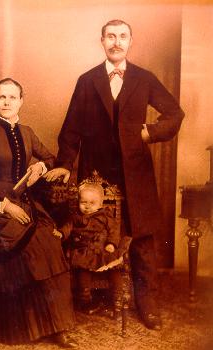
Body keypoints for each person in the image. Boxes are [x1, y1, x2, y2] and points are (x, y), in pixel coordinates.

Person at [45, 19, 185, 330]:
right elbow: (70, 131)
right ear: (102, 41)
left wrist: (151, 132)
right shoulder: (87, 81)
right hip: (97, 175)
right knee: (94, 234)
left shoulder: (144, 78)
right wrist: (66, 166)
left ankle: (147, 304)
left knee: (142, 239)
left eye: (122, 36)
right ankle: (93, 296)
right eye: (111, 36)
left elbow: (174, 114)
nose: (116, 42)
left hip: (135, 173)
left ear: (130, 41)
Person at [0, 78, 77, 348]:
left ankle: (57, 325)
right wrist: (6, 206)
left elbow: (50, 158)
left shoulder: (27, 132)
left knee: (50, 243)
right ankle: (21, 327)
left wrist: (40, 168)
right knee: (32, 249)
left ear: (21, 100)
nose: (7, 102)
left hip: (23, 201)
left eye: (12, 97)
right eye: (1, 97)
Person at [53, 182, 131, 318]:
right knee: (83, 272)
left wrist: (111, 243)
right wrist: (61, 233)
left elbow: (114, 231)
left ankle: (118, 298)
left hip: (103, 249)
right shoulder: (76, 217)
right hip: (85, 251)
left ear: (100, 204)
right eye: (83, 202)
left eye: (92, 203)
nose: (87, 206)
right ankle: (86, 298)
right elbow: (68, 227)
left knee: (114, 270)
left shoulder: (105, 216)